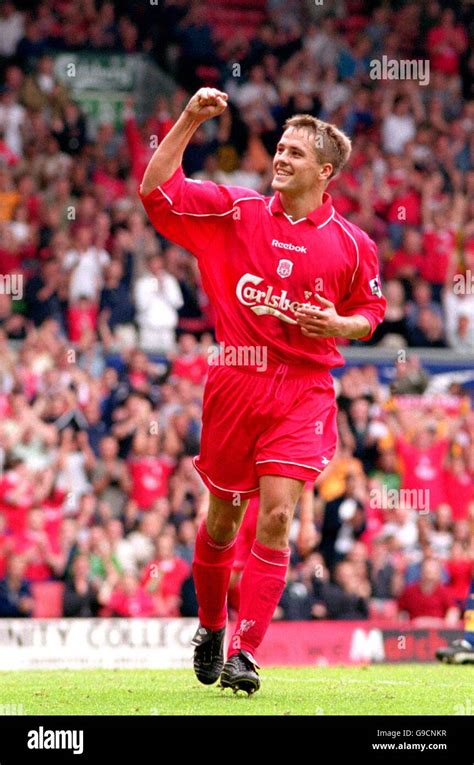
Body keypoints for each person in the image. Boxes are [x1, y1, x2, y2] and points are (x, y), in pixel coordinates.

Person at [140, 87, 386, 694]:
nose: (280, 158)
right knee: (222, 520)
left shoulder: (354, 245)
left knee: (276, 518)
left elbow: (371, 312)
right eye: (279, 148)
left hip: (304, 389)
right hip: (234, 381)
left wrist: (342, 325)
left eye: (295, 153)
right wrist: (191, 119)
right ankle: (210, 627)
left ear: (324, 172)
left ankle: (247, 653)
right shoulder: (237, 211)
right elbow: (157, 191)